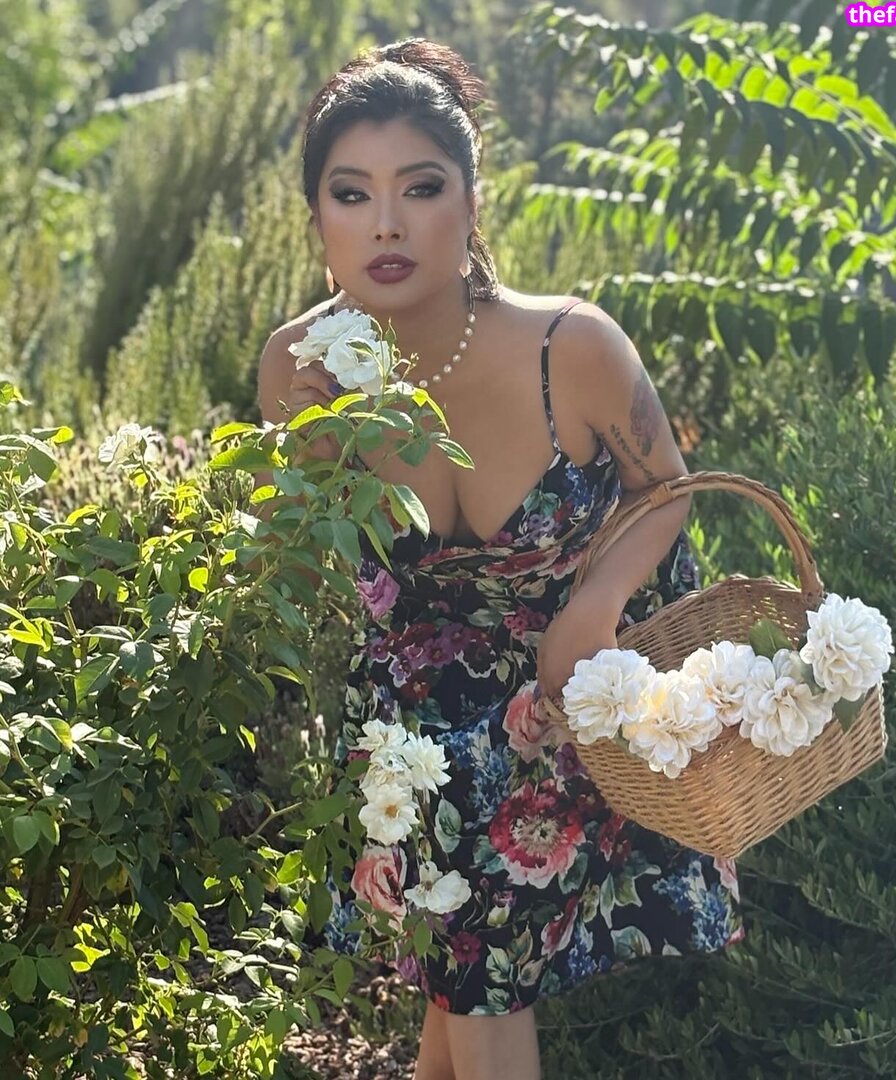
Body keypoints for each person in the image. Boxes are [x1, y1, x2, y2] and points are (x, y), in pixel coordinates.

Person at [256, 38, 744, 1080]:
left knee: (466, 980)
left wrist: (593, 606)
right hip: (417, 743)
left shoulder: (571, 346)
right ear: (317, 220)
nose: (386, 224)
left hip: (566, 709)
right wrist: (309, 454)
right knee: (466, 974)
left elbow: (668, 489)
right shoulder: (299, 367)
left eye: (421, 187)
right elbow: (313, 582)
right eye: (352, 194)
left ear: (472, 202)